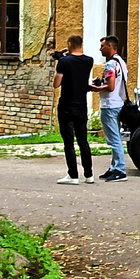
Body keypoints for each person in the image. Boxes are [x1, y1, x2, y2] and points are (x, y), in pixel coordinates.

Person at [53, 35, 95, 185]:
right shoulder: (89, 60)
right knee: (83, 141)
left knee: (69, 142)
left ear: (69, 44)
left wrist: (62, 58)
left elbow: (56, 84)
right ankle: (89, 175)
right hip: (81, 105)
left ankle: (73, 175)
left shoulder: (64, 62)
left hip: (66, 105)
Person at [93, 36, 128, 181]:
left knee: (114, 139)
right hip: (118, 102)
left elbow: (111, 86)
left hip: (109, 105)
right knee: (116, 137)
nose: (100, 49)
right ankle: (114, 167)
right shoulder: (121, 62)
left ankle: (120, 169)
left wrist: (95, 88)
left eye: (102, 46)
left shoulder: (110, 65)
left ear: (110, 46)